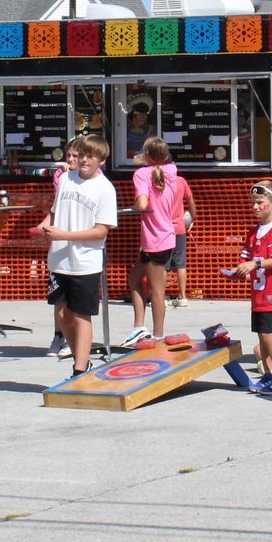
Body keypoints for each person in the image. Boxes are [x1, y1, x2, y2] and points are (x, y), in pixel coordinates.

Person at [34, 134, 117, 370]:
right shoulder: (65, 179)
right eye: (81, 155)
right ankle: (80, 360)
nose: (84, 160)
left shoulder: (105, 189)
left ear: (102, 160)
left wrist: (65, 235)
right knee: (62, 314)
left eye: (90, 156)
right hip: (59, 259)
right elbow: (55, 211)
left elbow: (101, 231)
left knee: (81, 315)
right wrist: (43, 227)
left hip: (85, 262)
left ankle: (79, 368)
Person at [235, 180, 272, 393]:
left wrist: (255, 264)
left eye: (260, 202)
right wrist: (239, 271)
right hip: (259, 295)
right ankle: (269, 375)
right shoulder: (253, 232)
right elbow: (245, 258)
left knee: (270, 335)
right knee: (262, 335)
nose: (255, 207)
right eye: (253, 202)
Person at [124, 137, 182, 347]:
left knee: (157, 291)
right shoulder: (171, 171)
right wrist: (147, 158)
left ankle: (157, 335)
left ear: (147, 154)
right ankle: (139, 327)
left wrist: (130, 208)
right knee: (134, 278)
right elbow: (162, 164)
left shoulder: (141, 174)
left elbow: (142, 203)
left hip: (157, 239)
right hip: (159, 237)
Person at [49, 138, 81, 360]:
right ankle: (58, 335)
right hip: (59, 241)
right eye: (68, 155)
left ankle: (75, 339)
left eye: (75, 156)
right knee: (58, 296)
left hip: (80, 244)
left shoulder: (96, 178)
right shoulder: (60, 177)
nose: (70, 159)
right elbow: (57, 205)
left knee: (76, 299)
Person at [166, 174, 195, 309]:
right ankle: (182, 296)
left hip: (163, 229)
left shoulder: (157, 180)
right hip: (179, 227)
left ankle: (160, 297)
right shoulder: (181, 181)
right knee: (181, 264)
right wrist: (192, 218)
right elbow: (190, 201)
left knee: (162, 265)